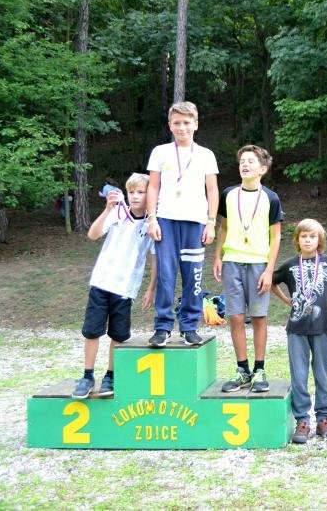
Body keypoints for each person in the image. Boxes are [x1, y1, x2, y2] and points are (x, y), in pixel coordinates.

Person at [72, 173, 157, 399]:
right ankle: (87, 375)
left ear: (150, 195)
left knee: (118, 334)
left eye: (141, 192)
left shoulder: (151, 223)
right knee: (92, 330)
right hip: (102, 281)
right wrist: (107, 209)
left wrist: (151, 288)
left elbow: (154, 258)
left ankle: (110, 375)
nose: (135, 196)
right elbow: (93, 234)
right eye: (131, 192)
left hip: (126, 287)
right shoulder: (118, 212)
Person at [146, 101, 219, 347]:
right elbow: (153, 187)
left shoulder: (205, 154)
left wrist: (211, 223)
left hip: (195, 222)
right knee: (166, 275)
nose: (182, 127)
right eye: (177, 123)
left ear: (196, 124)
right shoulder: (160, 152)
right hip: (165, 220)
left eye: (187, 122)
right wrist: (152, 219)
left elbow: (212, 190)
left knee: (193, 276)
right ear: (170, 125)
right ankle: (163, 327)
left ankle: (189, 327)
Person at [214, 144, 283, 394]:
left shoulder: (271, 198)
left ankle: (259, 370)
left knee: (258, 316)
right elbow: (223, 227)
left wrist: (269, 270)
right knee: (235, 316)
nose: (245, 164)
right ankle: (242, 370)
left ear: (262, 169)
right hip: (232, 261)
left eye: (251, 161)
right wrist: (218, 256)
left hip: (258, 263)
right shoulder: (229, 194)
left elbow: (276, 237)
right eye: (242, 161)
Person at [272, 219, 327, 443]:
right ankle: (302, 420)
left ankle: (323, 419)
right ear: (297, 240)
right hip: (297, 329)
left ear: (320, 240)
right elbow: (270, 281)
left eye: (312, 236)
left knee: (322, 374)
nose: (308, 240)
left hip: (323, 327)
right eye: (304, 236)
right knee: (299, 376)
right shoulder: (290, 264)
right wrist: (286, 300)